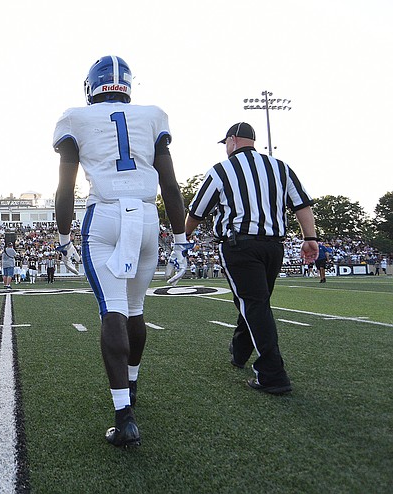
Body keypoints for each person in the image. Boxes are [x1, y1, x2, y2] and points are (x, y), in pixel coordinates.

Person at [53, 55, 188, 449]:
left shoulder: (76, 118)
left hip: (106, 215)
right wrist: (180, 242)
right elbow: (172, 186)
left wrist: (63, 238)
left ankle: (123, 415)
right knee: (135, 309)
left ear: (89, 88)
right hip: (146, 217)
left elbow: (65, 188)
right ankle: (131, 386)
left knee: (112, 311)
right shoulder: (152, 115)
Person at [185, 121, 318, 396]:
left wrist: (182, 238)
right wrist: (310, 238)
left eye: (226, 143)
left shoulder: (221, 170)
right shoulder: (280, 167)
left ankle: (272, 374)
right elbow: (302, 204)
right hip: (274, 247)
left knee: (254, 304)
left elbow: (197, 211)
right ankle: (240, 351)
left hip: (240, 246)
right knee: (255, 302)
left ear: (232, 140)